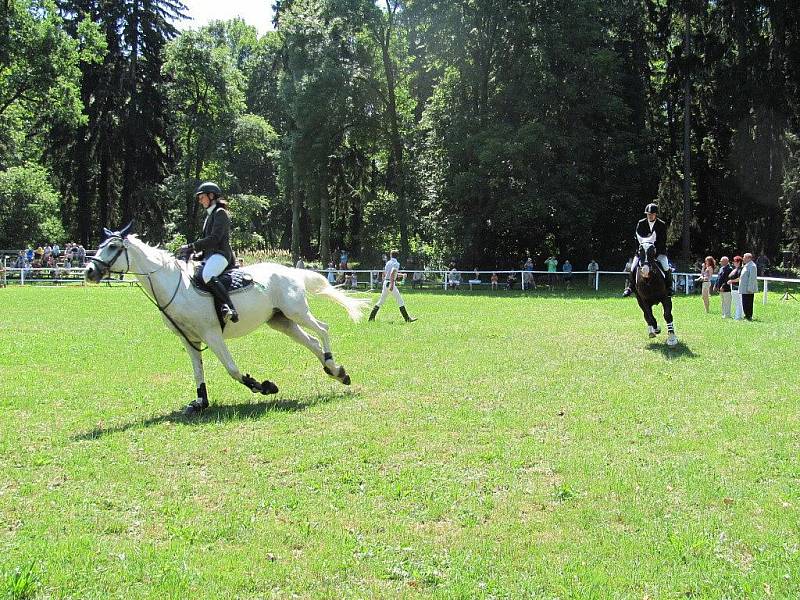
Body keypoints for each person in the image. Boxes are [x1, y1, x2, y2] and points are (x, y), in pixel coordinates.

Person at [179, 182, 239, 323]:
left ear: (211, 196)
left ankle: (229, 308)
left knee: (207, 275)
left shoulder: (220, 213)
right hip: (211, 255)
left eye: (202, 197)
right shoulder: (209, 216)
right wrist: (197, 254)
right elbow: (207, 241)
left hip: (221, 254)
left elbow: (214, 239)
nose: (200, 201)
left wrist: (192, 246)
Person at [623, 202, 673, 297]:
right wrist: (641, 251)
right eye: (648, 214)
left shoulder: (661, 225)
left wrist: (654, 252)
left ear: (655, 215)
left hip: (658, 252)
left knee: (666, 266)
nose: (650, 216)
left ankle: (669, 287)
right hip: (642, 252)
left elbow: (662, 240)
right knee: (633, 267)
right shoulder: (641, 223)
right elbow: (636, 239)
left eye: (652, 214)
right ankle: (630, 287)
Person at [368, 250, 417, 322]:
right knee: (400, 301)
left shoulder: (388, 263)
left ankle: (371, 318)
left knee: (381, 301)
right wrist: (392, 284)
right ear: (397, 256)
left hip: (386, 283)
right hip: (391, 283)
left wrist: (402, 275)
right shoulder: (396, 263)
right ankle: (407, 319)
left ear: (391, 255)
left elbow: (386, 273)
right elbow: (392, 273)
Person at [738, 252, 759, 321]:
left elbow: (752, 278)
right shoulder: (746, 265)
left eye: (744, 257)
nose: (743, 258)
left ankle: (749, 316)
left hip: (748, 289)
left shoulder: (752, 266)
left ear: (749, 258)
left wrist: (750, 288)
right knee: (745, 302)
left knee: (748, 302)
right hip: (744, 288)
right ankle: (746, 315)